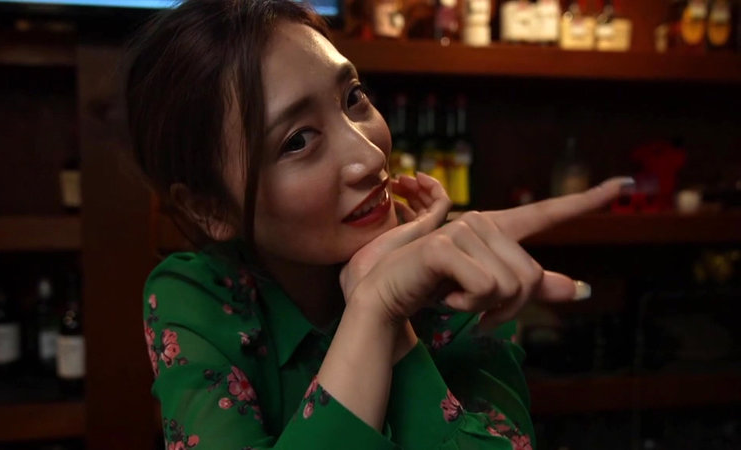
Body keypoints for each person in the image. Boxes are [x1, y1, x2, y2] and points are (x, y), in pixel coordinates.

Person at [125, 0, 632, 448]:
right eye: (298, 141)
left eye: (353, 98)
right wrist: (373, 311)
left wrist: (393, 318)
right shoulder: (197, 296)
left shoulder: (459, 279)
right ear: (210, 208)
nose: (369, 156)